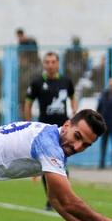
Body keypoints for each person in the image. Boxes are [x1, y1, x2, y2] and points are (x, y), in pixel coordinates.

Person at [24, 51, 77, 210]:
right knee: (48, 165)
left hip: (63, 129)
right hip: (45, 130)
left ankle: (64, 198)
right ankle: (52, 199)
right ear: (44, 64)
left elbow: (73, 97)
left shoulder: (66, 81)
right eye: (47, 62)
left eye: (53, 62)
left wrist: (74, 113)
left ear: (58, 63)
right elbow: (28, 103)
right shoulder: (37, 82)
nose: (50, 65)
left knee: (62, 163)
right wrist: (28, 123)